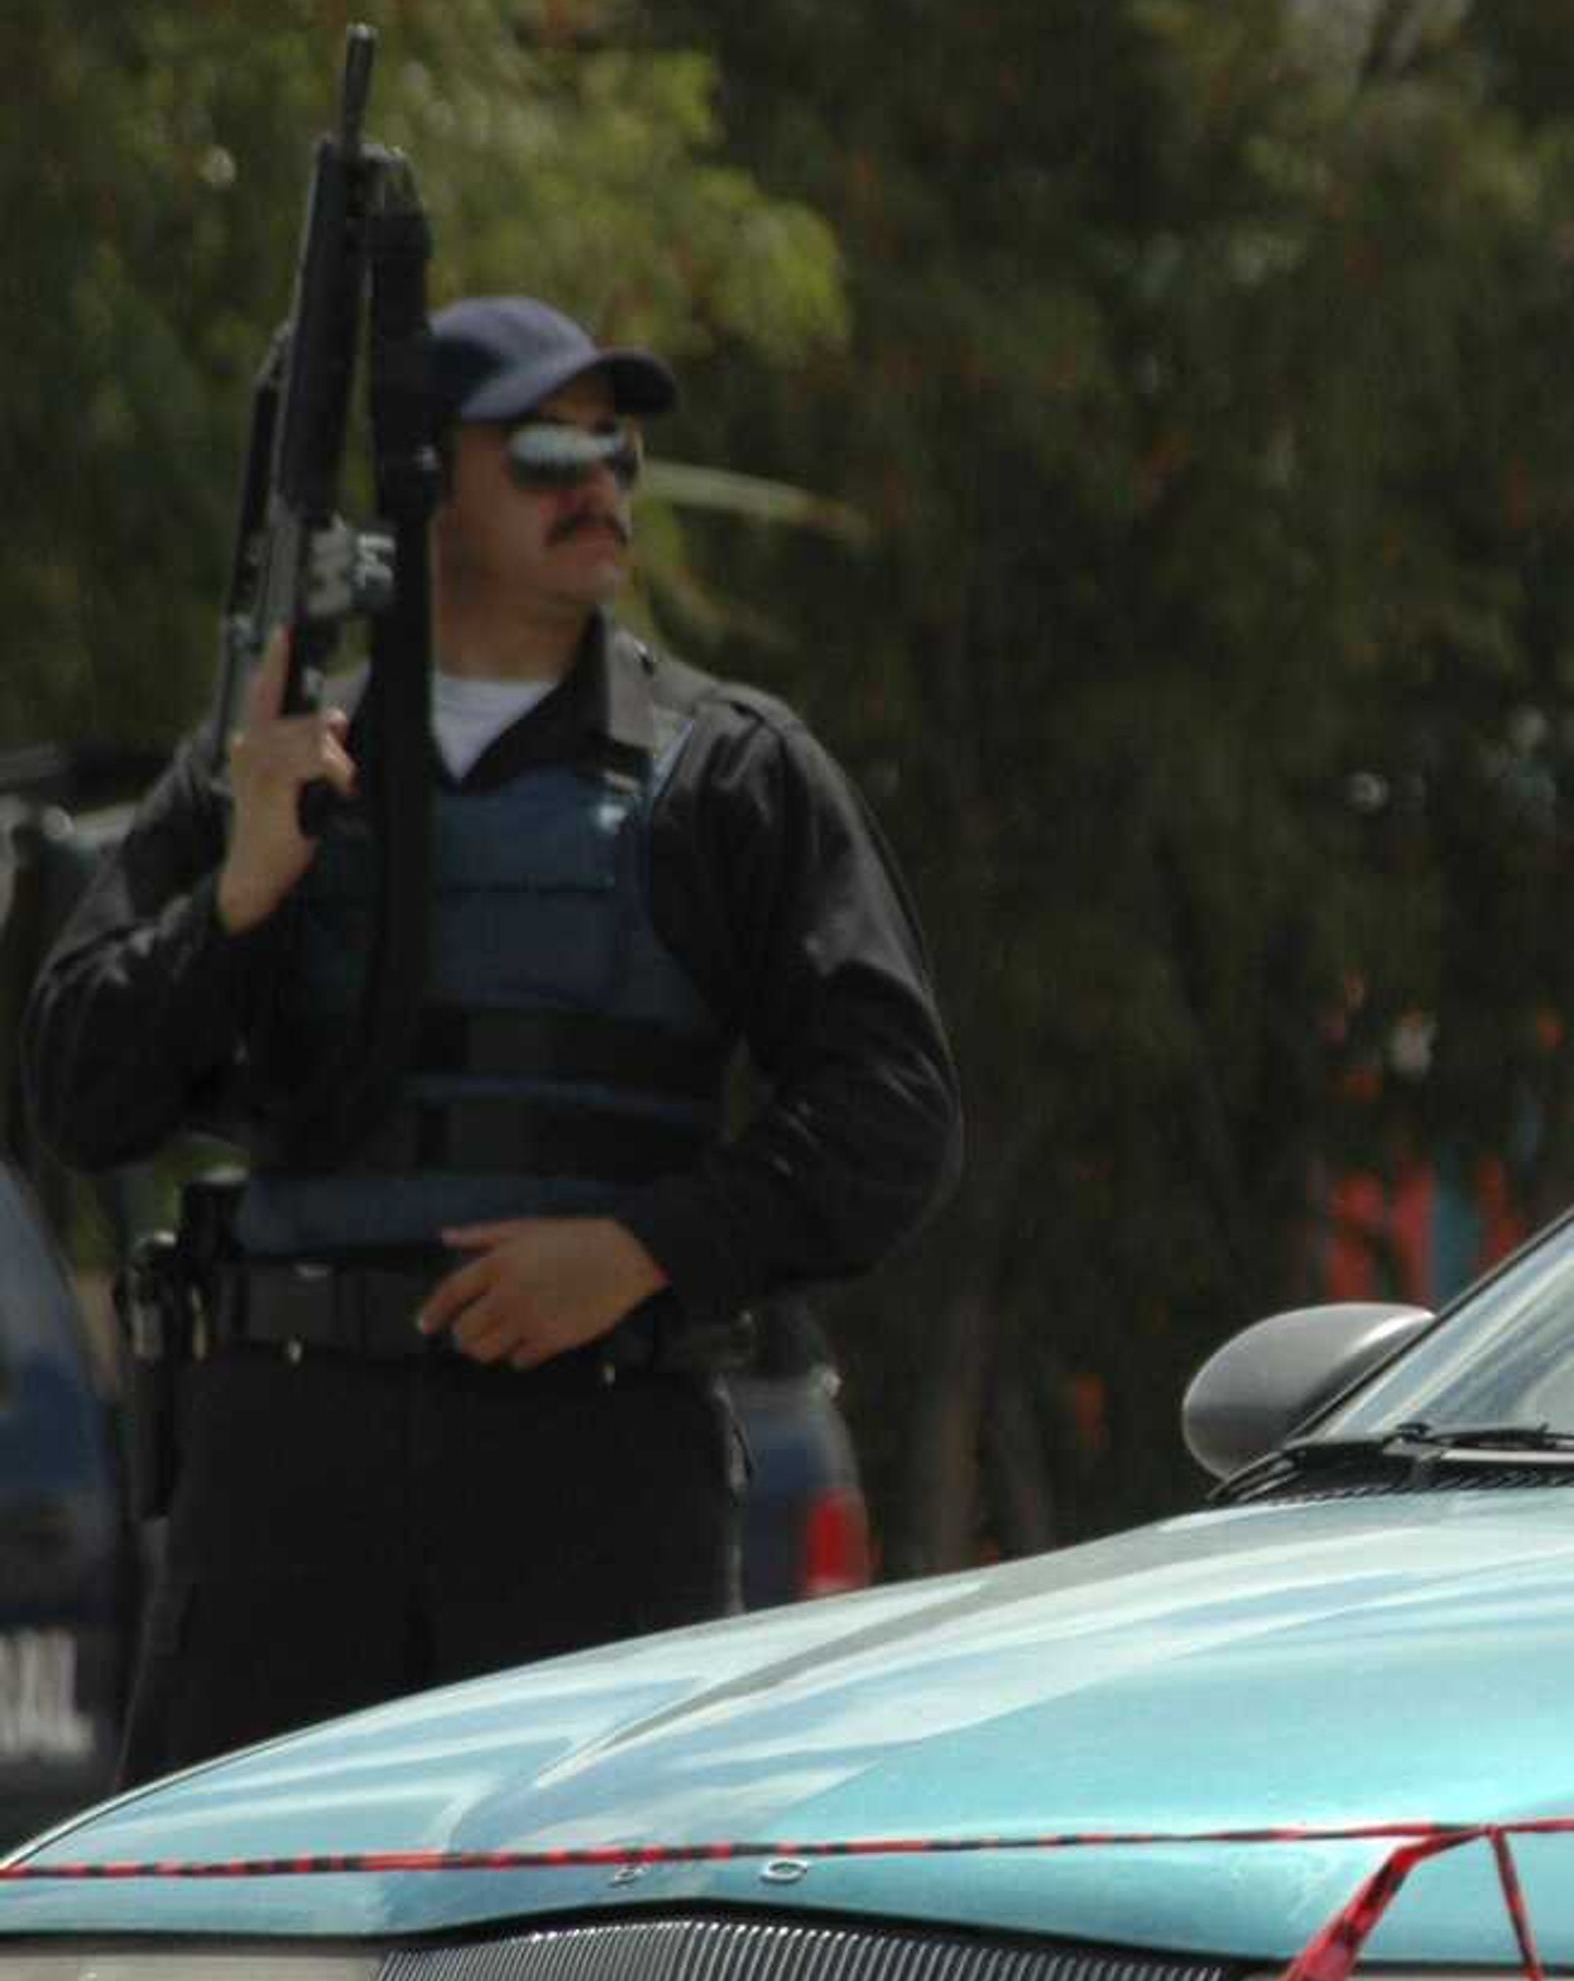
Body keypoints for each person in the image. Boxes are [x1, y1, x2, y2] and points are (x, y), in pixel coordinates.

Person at [22, 293, 960, 1782]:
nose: (597, 482)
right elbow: (78, 1089)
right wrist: (240, 896)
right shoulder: (265, 761)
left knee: (567, 1969)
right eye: (541, 448)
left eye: (616, 447)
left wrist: (645, 1247)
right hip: (283, 1488)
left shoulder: (727, 774)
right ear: (419, 480)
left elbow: (892, 1116)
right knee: (235, 1964)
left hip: (589, 1475)